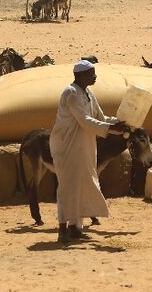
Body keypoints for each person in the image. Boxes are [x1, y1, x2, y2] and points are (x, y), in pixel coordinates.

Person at [49, 60, 130, 243]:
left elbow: (99, 118)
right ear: (80, 75)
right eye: (91, 73)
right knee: (67, 186)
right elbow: (85, 120)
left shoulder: (88, 93)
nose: (95, 77)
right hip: (67, 146)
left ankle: (76, 229)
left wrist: (118, 122)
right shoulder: (70, 93)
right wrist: (110, 129)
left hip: (83, 145)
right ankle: (62, 229)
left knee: (82, 184)